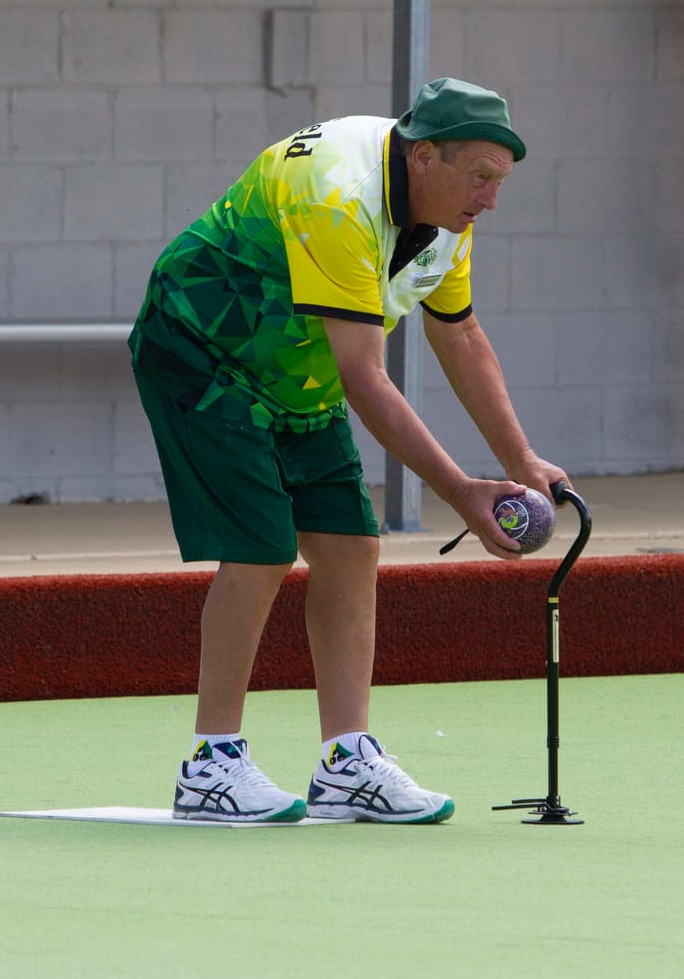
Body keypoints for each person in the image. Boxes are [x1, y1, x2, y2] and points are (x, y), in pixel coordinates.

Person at [128, 77, 568, 824]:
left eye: (500, 181)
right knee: (262, 547)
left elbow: (457, 331)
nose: (492, 199)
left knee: (350, 547)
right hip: (204, 350)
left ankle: (346, 761)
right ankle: (210, 764)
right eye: (481, 178)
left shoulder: (448, 212)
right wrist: (461, 488)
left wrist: (521, 460)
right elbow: (366, 375)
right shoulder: (340, 194)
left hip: (301, 369)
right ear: (425, 156)